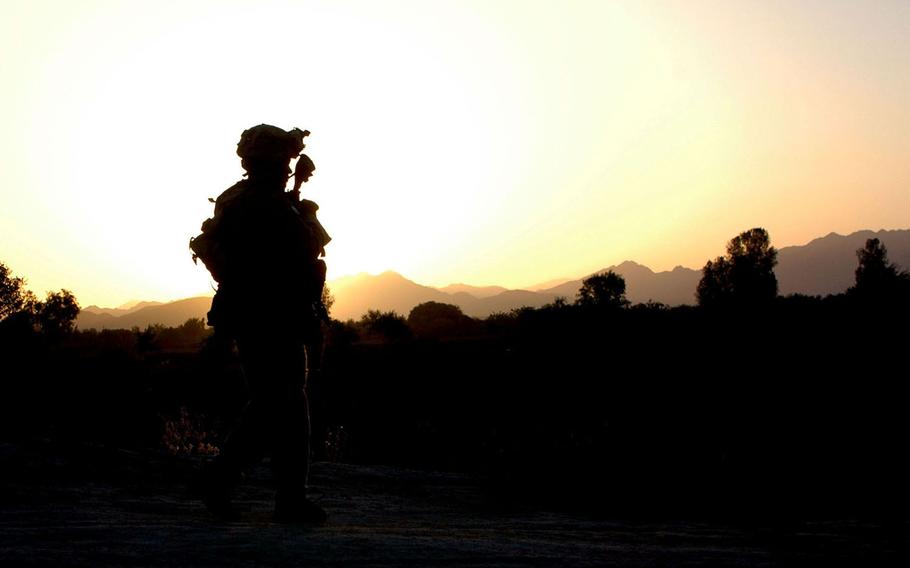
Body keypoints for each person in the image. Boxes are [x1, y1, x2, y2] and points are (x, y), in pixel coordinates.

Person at [193, 124, 328, 523]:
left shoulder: (245, 199)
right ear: (270, 162)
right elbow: (299, 250)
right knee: (285, 403)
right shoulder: (264, 204)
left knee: (273, 403)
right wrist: (302, 211)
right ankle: (285, 498)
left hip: (260, 315)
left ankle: (227, 483)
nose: (288, 168)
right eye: (284, 161)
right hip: (270, 316)